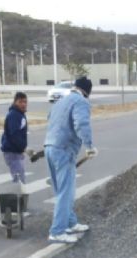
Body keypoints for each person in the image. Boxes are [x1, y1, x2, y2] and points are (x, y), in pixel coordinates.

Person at [44, 77, 98, 244]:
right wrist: (89, 146)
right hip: (63, 150)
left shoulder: (61, 101)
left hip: (49, 147)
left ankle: (70, 222)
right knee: (66, 192)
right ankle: (57, 231)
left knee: (62, 190)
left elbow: (50, 119)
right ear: (87, 91)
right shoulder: (81, 101)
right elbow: (81, 123)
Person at [1, 92, 29, 183]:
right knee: (19, 180)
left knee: (20, 178)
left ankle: (20, 196)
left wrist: (24, 148)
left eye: (25, 102)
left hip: (16, 151)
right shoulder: (14, 115)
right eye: (20, 102)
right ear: (15, 102)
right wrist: (23, 147)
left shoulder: (19, 114)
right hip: (12, 152)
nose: (23, 104)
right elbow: (13, 135)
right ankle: (19, 197)